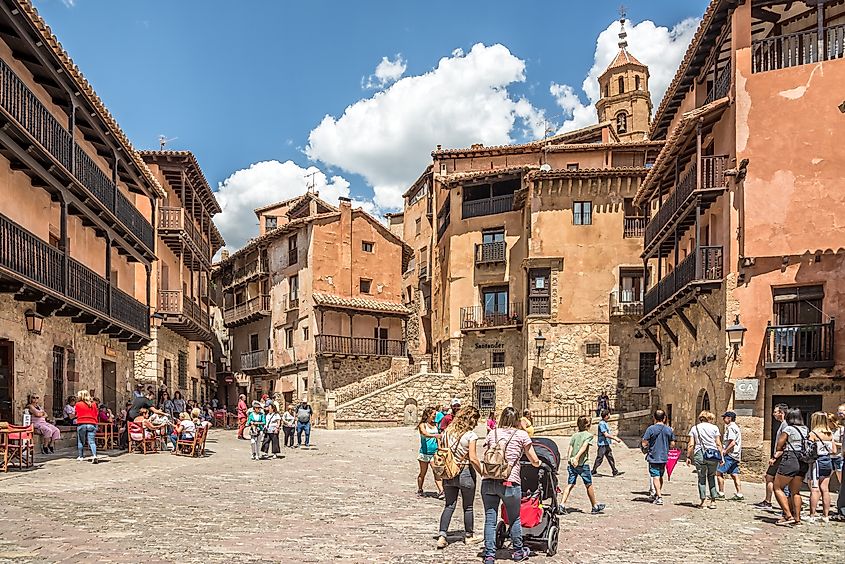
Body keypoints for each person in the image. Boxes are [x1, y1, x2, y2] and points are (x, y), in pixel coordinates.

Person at [481, 407, 540, 564]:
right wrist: (538, 463)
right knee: (514, 518)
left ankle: (489, 555)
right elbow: (533, 459)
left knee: (490, 519)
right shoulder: (521, 435)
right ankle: (518, 551)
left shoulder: (492, 433)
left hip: (488, 480)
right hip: (509, 481)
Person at [436, 406, 482, 549]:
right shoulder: (470, 435)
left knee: (449, 505)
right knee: (468, 506)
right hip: (465, 471)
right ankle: (469, 535)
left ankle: (442, 535)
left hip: (449, 471)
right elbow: (473, 458)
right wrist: (482, 472)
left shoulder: (446, 433)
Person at [772, 408, 811, 525]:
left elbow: (780, 444)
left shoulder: (788, 429)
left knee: (777, 487)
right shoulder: (805, 429)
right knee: (795, 491)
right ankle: (797, 518)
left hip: (790, 458)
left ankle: (788, 515)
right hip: (802, 460)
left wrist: (779, 451)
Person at [561, 415, 606, 514]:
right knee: (588, 484)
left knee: (570, 484)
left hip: (572, 464)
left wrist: (570, 459)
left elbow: (570, 448)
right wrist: (577, 457)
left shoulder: (574, 436)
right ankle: (594, 506)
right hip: (583, 464)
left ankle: (562, 504)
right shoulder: (588, 436)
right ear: (588, 425)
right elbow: (584, 447)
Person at [686, 410, 724, 509]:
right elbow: (718, 443)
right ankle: (713, 501)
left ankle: (703, 501)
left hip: (700, 454)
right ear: (709, 418)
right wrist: (721, 457)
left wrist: (688, 456)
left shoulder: (695, 428)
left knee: (701, 477)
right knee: (711, 476)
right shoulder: (714, 428)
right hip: (713, 454)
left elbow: (691, 444)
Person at [755, 403, 789, 509]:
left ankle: (785, 504)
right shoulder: (783, 424)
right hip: (779, 456)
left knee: (779, 480)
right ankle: (768, 500)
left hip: (781, 456)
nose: (773, 414)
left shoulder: (785, 425)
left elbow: (785, 443)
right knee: (769, 476)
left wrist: (775, 456)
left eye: (775, 412)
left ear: (781, 413)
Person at [806, 411, 835, 523]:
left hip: (816, 462)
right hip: (827, 461)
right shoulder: (829, 433)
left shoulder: (813, 434)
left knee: (815, 488)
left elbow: (808, 450)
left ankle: (812, 515)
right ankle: (825, 515)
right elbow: (834, 450)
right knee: (825, 489)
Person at [641, 409, 675, 506]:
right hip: (664, 456)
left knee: (655, 476)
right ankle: (657, 493)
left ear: (654, 418)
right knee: (660, 475)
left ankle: (659, 497)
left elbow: (644, 442)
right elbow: (672, 444)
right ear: (664, 418)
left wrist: (646, 447)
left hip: (653, 456)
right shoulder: (669, 429)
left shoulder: (650, 429)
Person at [417, 406, 444, 499]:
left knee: (437, 472)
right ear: (428, 414)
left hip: (434, 453)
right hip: (424, 453)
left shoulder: (435, 425)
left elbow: (438, 439)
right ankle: (420, 489)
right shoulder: (422, 425)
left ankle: (441, 491)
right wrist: (435, 435)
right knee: (422, 473)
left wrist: (440, 448)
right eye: (433, 414)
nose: (435, 416)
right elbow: (424, 434)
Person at [716, 411, 744, 501]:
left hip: (730, 454)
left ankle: (721, 493)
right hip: (736, 455)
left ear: (729, 418)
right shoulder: (736, 427)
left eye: (724, 417)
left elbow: (732, 442)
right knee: (734, 474)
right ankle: (739, 494)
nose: (723, 419)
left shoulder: (731, 428)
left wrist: (725, 451)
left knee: (719, 472)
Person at [592, 409, 622, 476]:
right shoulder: (602, 424)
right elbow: (606, 434)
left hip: (606, 444)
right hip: (602, 444)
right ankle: (593, 471)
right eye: (608, 414)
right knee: (600, 458)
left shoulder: (605, 423)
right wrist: (615, 438)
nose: (609, 416)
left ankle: (614, 471)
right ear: (606, 416)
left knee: (610, 457)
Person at [74, 390, 99, 463]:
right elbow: (96, 413)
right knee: (92, 441)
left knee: (81, 441)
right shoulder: (93, 404)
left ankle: (81, 456)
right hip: (91, 423)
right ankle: (94, 455)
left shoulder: (78, 404)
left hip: (82, 423)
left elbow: (76, 414)